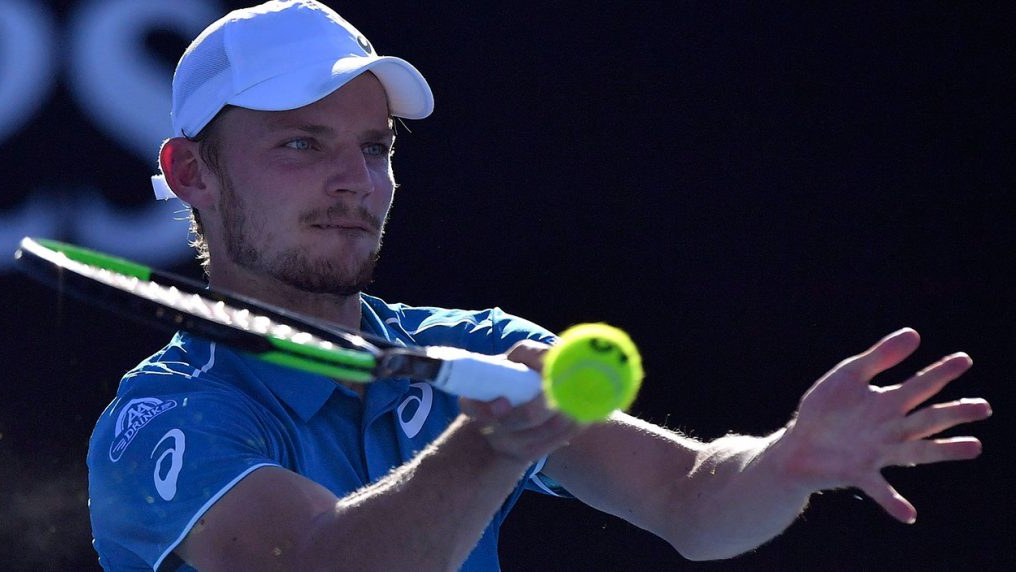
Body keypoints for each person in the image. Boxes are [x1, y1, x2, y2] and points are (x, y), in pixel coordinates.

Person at [87, 1, 992, 570]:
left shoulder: (475, 346)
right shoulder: (164, 419)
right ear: (193, 173)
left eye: (375, 148)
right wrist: (491, 446)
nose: (356, 184)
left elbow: (693, 501)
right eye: (301, 144)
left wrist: (787, 459)